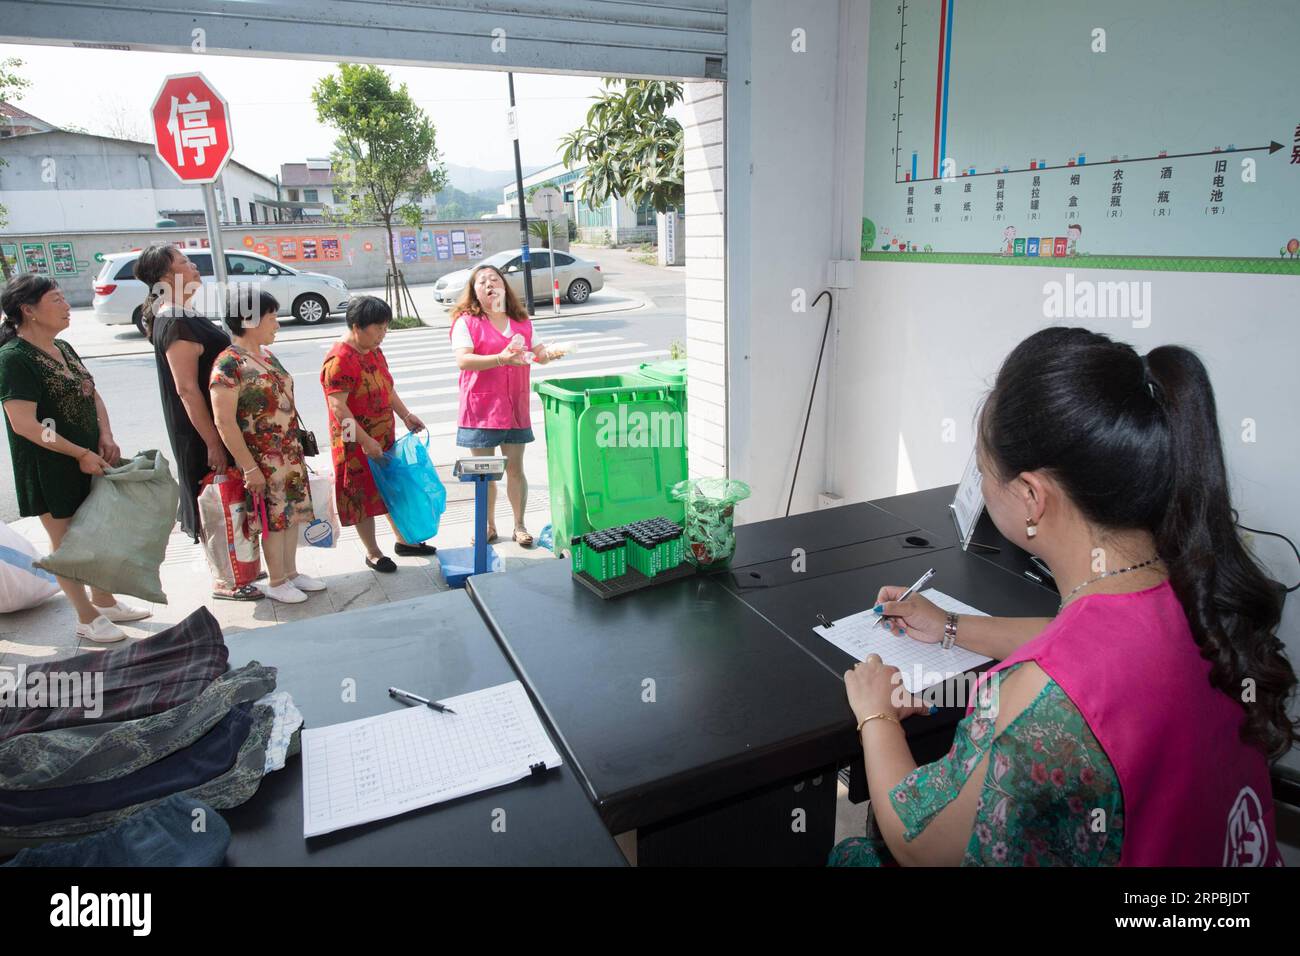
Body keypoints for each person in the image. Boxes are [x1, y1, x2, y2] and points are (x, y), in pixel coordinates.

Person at [833, 327, 1295, 867]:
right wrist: (951, 627)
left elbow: (921, 847)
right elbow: (1092, 653)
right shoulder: (1200, 595)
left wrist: (875, 715)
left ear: (1031, 496)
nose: (981, 487)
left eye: (983, 472)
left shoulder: (1035, 699)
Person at [0, 275, 151, 642]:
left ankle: (104, 599)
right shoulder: (14, 359)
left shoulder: (63, 347)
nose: (68, 306)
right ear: (28, 310)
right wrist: (78, 452)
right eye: (57, 299)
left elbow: (91, 392)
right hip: (49, 465)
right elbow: (26, 426)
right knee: (68, 544)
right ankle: (85, 616)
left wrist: (105, 435)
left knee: (96, 532)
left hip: (88, 456)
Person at [136, 244, 255, 600]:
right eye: (184, 261)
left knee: (226, 496)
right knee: (213, 496)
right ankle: (224, 578)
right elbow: (187, 390)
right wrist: (213, 443)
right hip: (200, 430)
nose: (193, 266)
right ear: (164, 276)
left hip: (215, 425)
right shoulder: (175, 320)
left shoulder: (180, 313)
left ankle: (238, 568)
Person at [209, 290, 324, 604]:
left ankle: (290, 573)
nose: (277, 324)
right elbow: (225, 422)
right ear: (249, 320)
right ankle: (276, 580)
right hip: (262, 459)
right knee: (273, 517)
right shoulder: (228, 364)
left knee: (291, 514)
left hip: (288, 454)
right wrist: (249, 467)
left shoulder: (267, 355)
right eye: (272, 317)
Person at [320, 295, 431, 573]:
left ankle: (405, 540)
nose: (383, 334)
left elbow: (387, 388)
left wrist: (405, 415)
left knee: (391, 487)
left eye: (385, 328)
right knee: (362, 495)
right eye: (378, 328)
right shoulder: (339, 360)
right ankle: (372, 552)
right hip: (354, 441)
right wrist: (365, 440)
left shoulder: (373, 350)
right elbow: (338, 407)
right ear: (357, 326)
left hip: (383, 435)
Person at [450, 265, 559, 546]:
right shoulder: (467, 322)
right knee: (485, 472)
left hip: (514, 407)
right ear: (474, 291)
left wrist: (552, 353)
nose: (489, 284)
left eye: (494, 279)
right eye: (481, 281)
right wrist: (500, 358)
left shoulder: (521, 321)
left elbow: (539, 354)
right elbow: (464, 360)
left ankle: (520, 525)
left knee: (515, 469)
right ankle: (486, 525)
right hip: (481, 410)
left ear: (504, 286)